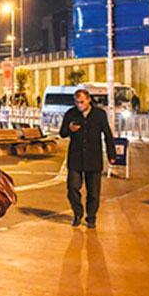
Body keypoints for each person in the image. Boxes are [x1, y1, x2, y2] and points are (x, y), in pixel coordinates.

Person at [59, 89, 116, 229]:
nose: (79, 105)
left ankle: (91, 217)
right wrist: (69, 129)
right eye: (77, 102)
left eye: (82, 102)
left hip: (93, 158)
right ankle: (77, 213)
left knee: (94, 192)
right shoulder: (71, 114)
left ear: (89, 100)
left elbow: (108, 135)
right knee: (72, 188)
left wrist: (112, 155)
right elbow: (62, 133)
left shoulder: (99, 115)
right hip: (75, 159)